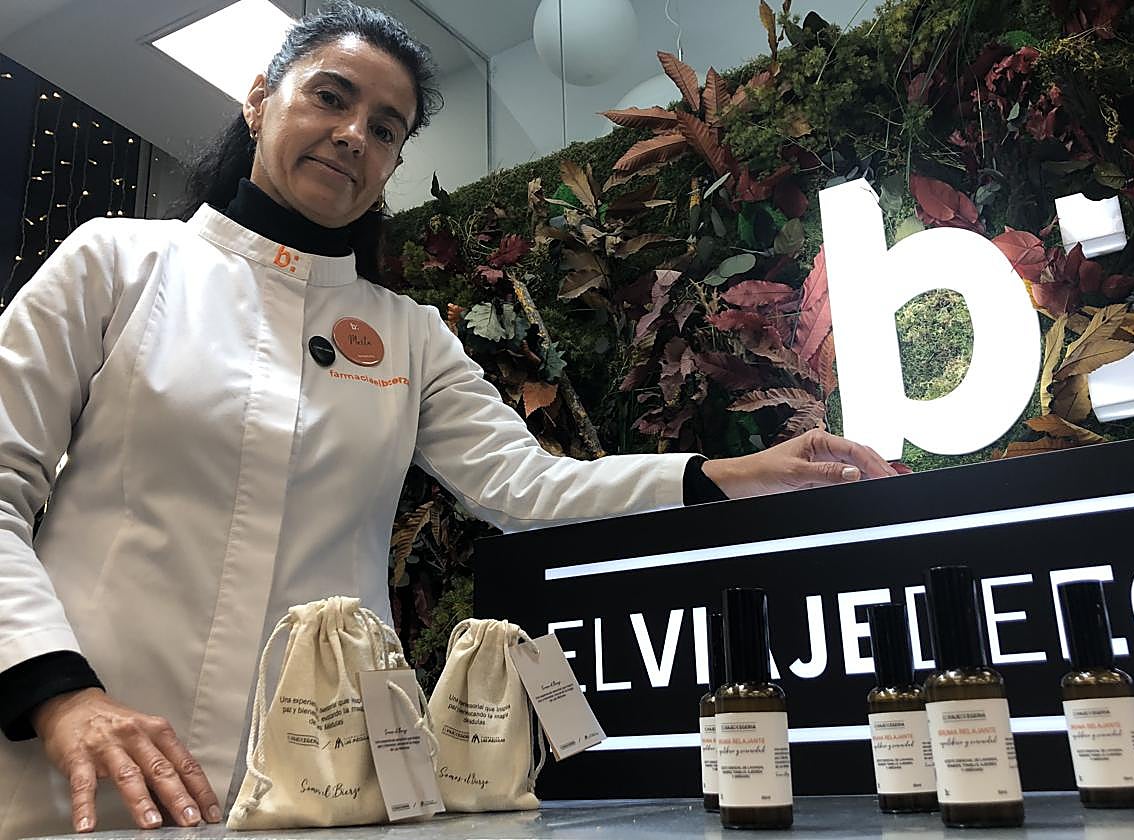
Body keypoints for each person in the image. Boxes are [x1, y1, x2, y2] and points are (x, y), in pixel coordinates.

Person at [0, 2, 894, 835]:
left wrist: (716, 477)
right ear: (261, 100)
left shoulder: (408, 335)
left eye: (384, 129)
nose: (353, 135)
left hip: (328, 786)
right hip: (84, 774)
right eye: (330, 98)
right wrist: (57, 691)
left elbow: (529, 488)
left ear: (391, 164)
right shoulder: (117, 265)